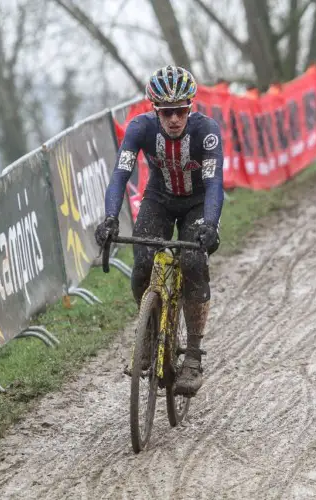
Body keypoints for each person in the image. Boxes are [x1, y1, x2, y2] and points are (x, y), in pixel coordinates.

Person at [95, 65, 224, 397]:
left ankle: (193, 356)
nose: (174, 120)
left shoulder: (206, 131)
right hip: (159, 199)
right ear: (156, 109)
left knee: (194, 265)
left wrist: (209, 225)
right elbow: (119, 176)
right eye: (167, 112)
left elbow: (214, 184)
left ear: (190, 107)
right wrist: (110, 218)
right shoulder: (139, 128)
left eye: (181, 111)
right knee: (142, 265)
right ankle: (150, 336)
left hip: (198, 201)